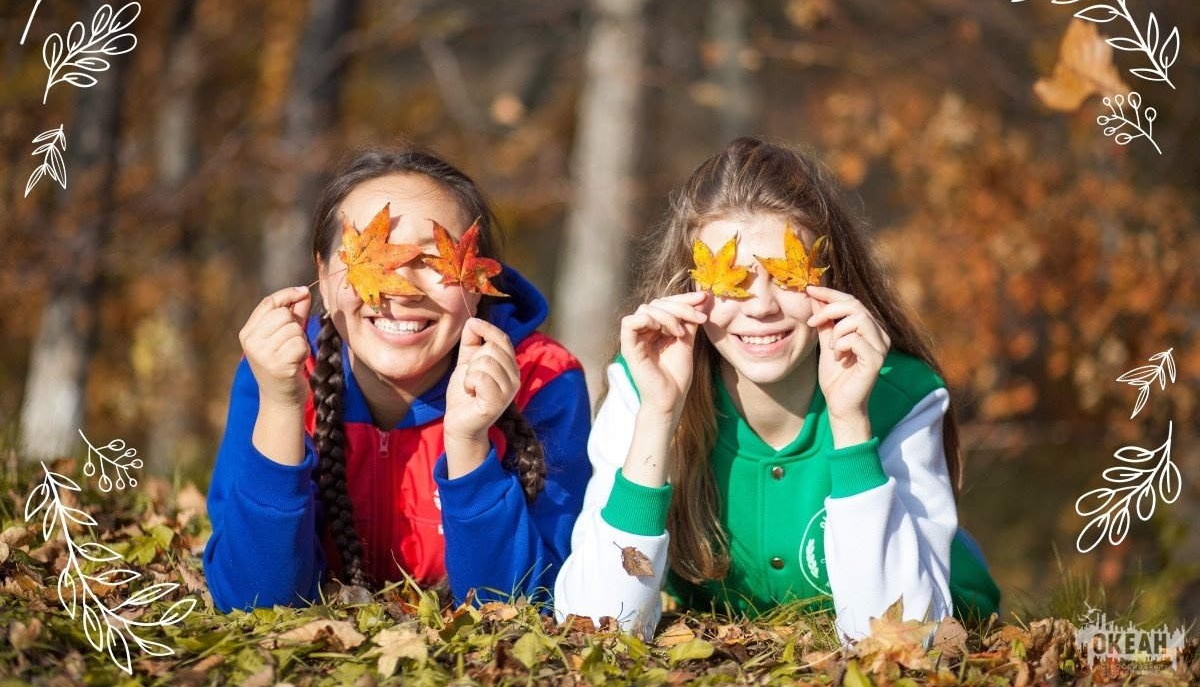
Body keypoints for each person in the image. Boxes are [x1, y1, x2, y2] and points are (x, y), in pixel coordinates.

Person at [554, 137, 1000, 641]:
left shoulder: (899, 396)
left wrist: (852, 423)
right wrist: (658, 417)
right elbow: (597, 626)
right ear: (689, 287)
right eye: (733, 280)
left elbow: (901, 638)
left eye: (788, 275)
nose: (761, 305)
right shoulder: (645, 387)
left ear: (831, 276)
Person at [204, 146, 591, 611]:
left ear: (479, 278)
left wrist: (469, 444)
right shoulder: (280, 372)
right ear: (323, 273)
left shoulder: (542, 381)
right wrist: (283, 407)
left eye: (431, 262)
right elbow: (252, 598)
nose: (400, 290)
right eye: (374, 259)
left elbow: (524, 605)